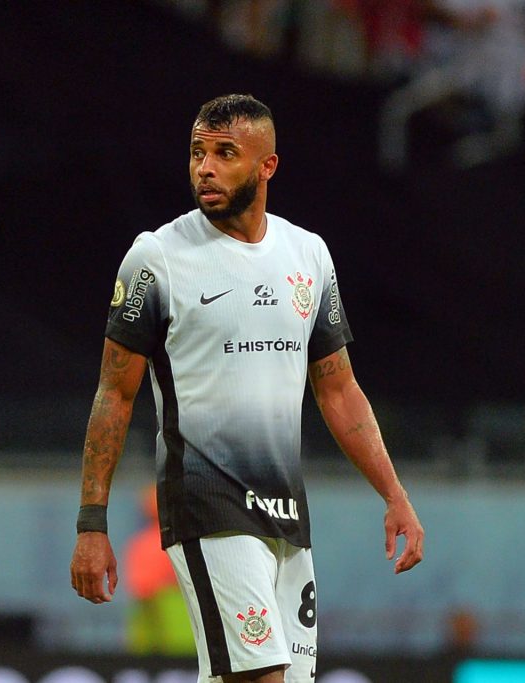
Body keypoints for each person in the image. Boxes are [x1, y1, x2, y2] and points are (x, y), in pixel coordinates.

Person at [70, 95, 424, 683]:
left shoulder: (307, 254)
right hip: (209, 509)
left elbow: (338, 390)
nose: (204, 167)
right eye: (197, 153)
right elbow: (115, 394)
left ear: (267, 167)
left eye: (225, 154)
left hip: (286, 517)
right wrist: (91, 524)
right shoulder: (155, 258)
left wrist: (394, 493)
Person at [123, 485, 196, 655]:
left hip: (153, 638)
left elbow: (142, 591)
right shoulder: (189, 540)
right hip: (186, 634)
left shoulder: (141, 544)